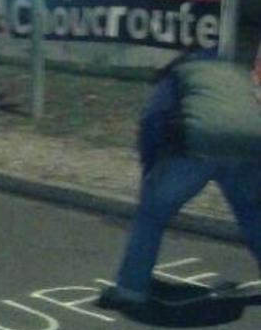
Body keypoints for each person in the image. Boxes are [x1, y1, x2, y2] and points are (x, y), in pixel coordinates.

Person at [99, 49, 261, 309]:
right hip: (251, 143)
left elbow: (153, 121)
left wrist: (150, 175)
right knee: (252, 213)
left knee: (151, 217)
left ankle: (131, 289)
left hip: (199, 142)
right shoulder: (235, 72)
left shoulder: (177, 76)